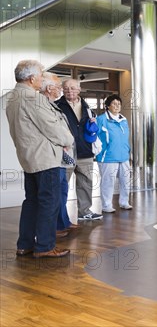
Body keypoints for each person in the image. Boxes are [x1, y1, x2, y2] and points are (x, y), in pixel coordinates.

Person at [5, 60, 73, 258]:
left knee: (32, 201)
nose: (42, 78)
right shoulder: (34, 99)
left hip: (28, 158)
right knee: (49, 203)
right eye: (41, 74)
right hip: (45, 159)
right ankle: (45, 246)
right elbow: (52, 128)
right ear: (32, 78)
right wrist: (67, 140)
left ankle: (24, 244)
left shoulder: (12, 98)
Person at [56, 78, 103, 221]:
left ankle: (84, 211)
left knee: (86, 182)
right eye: (66, 88)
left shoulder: (88, 107)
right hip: (66, 152)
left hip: (85, 150)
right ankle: (60, 215)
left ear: (79, 90)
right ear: (62, 90)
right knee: (62, 185)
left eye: (73, 88)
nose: (70, 91)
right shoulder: (57, 106)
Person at [40, 72, 80, 238]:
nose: (61, 91)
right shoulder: (44, 105)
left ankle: (63, 222)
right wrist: (66, 140)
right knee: (54, 195)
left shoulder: (51, 105)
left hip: (61, 156)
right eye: (59, 88)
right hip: (52, 156)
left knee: (62, 191)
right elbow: (54, 131)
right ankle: (55, 229)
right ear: (50, 88)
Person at [96, 94, 133, 213]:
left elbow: (125, 138)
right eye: (114, 104)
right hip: (108, 156)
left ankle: (124, 202)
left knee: (125, 180)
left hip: (124, 156)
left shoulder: (123, 119)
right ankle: (106, 205)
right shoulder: (101, 120)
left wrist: (129, 152)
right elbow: (94, 137)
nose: (117, 106)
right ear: (107, 106)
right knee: (108, 181)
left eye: (119, 104)